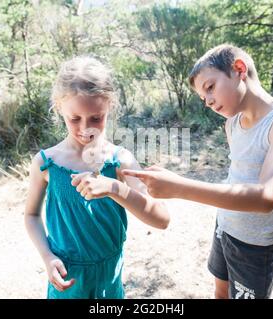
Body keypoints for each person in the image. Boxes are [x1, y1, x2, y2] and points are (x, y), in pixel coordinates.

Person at [122, 44, 273, 299]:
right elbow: (248, 173)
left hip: (257, 244)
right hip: (224, 226)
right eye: (203, 98)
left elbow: (266, 197)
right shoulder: (231, 124)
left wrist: (179, 187)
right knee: (220, 290)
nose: (208, 101)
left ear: (238, 69)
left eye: (210, 87)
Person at [24, 56, 169, 299]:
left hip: (109, 281)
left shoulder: (120, 161)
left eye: (96, 118)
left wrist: (114, 187)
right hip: (67, 280)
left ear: (109, 107)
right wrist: (47, 257)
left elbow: (161, 219)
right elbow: (31, 215)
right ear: (59, 107)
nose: (85, 128)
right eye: (74, 119)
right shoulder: (46, 163)